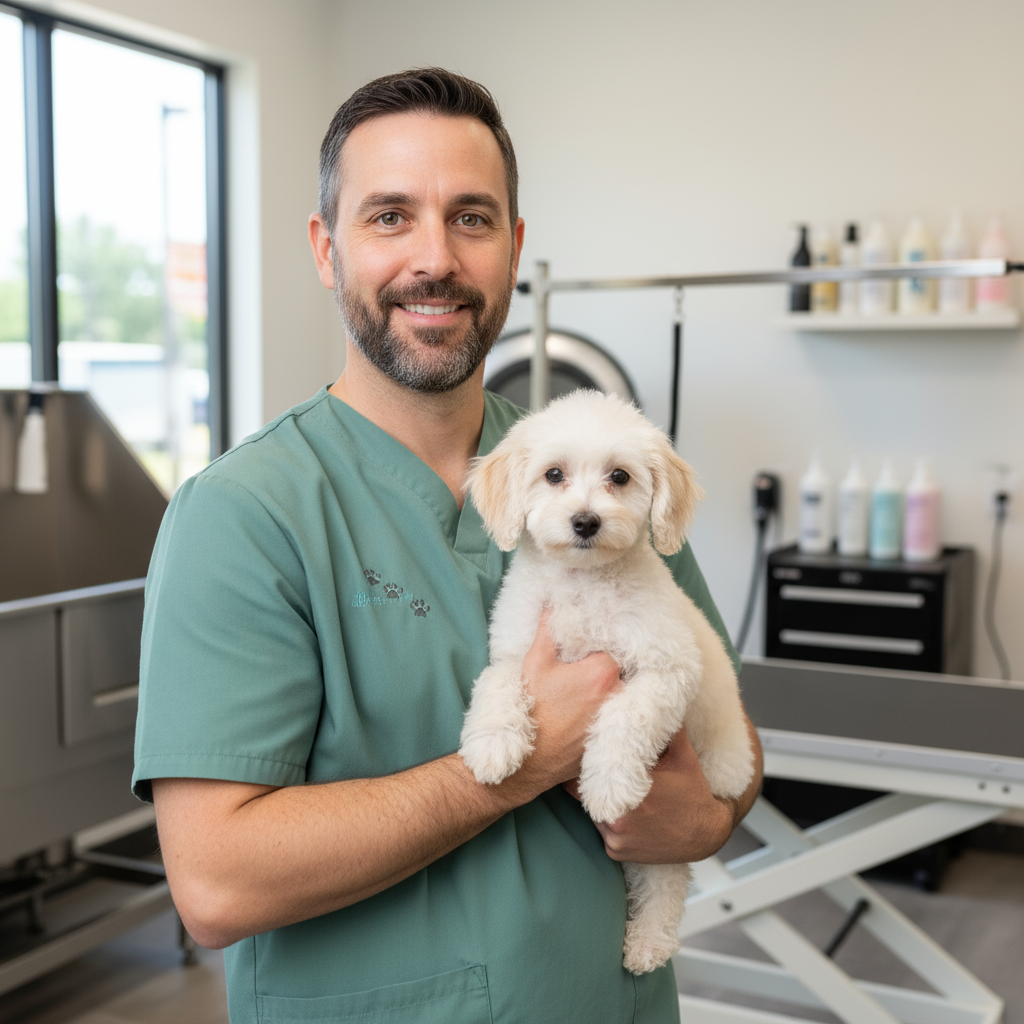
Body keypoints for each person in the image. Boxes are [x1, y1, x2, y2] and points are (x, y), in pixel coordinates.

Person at [134, 67, 763, 1024]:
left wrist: (708, 817)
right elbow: (216, 886)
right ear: (327, 249)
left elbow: (729, 734)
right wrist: (522, 762)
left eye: (471, 218)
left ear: (513, 248)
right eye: (390, 217)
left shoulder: (590, 470)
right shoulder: (243, 515)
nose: (435, 258)